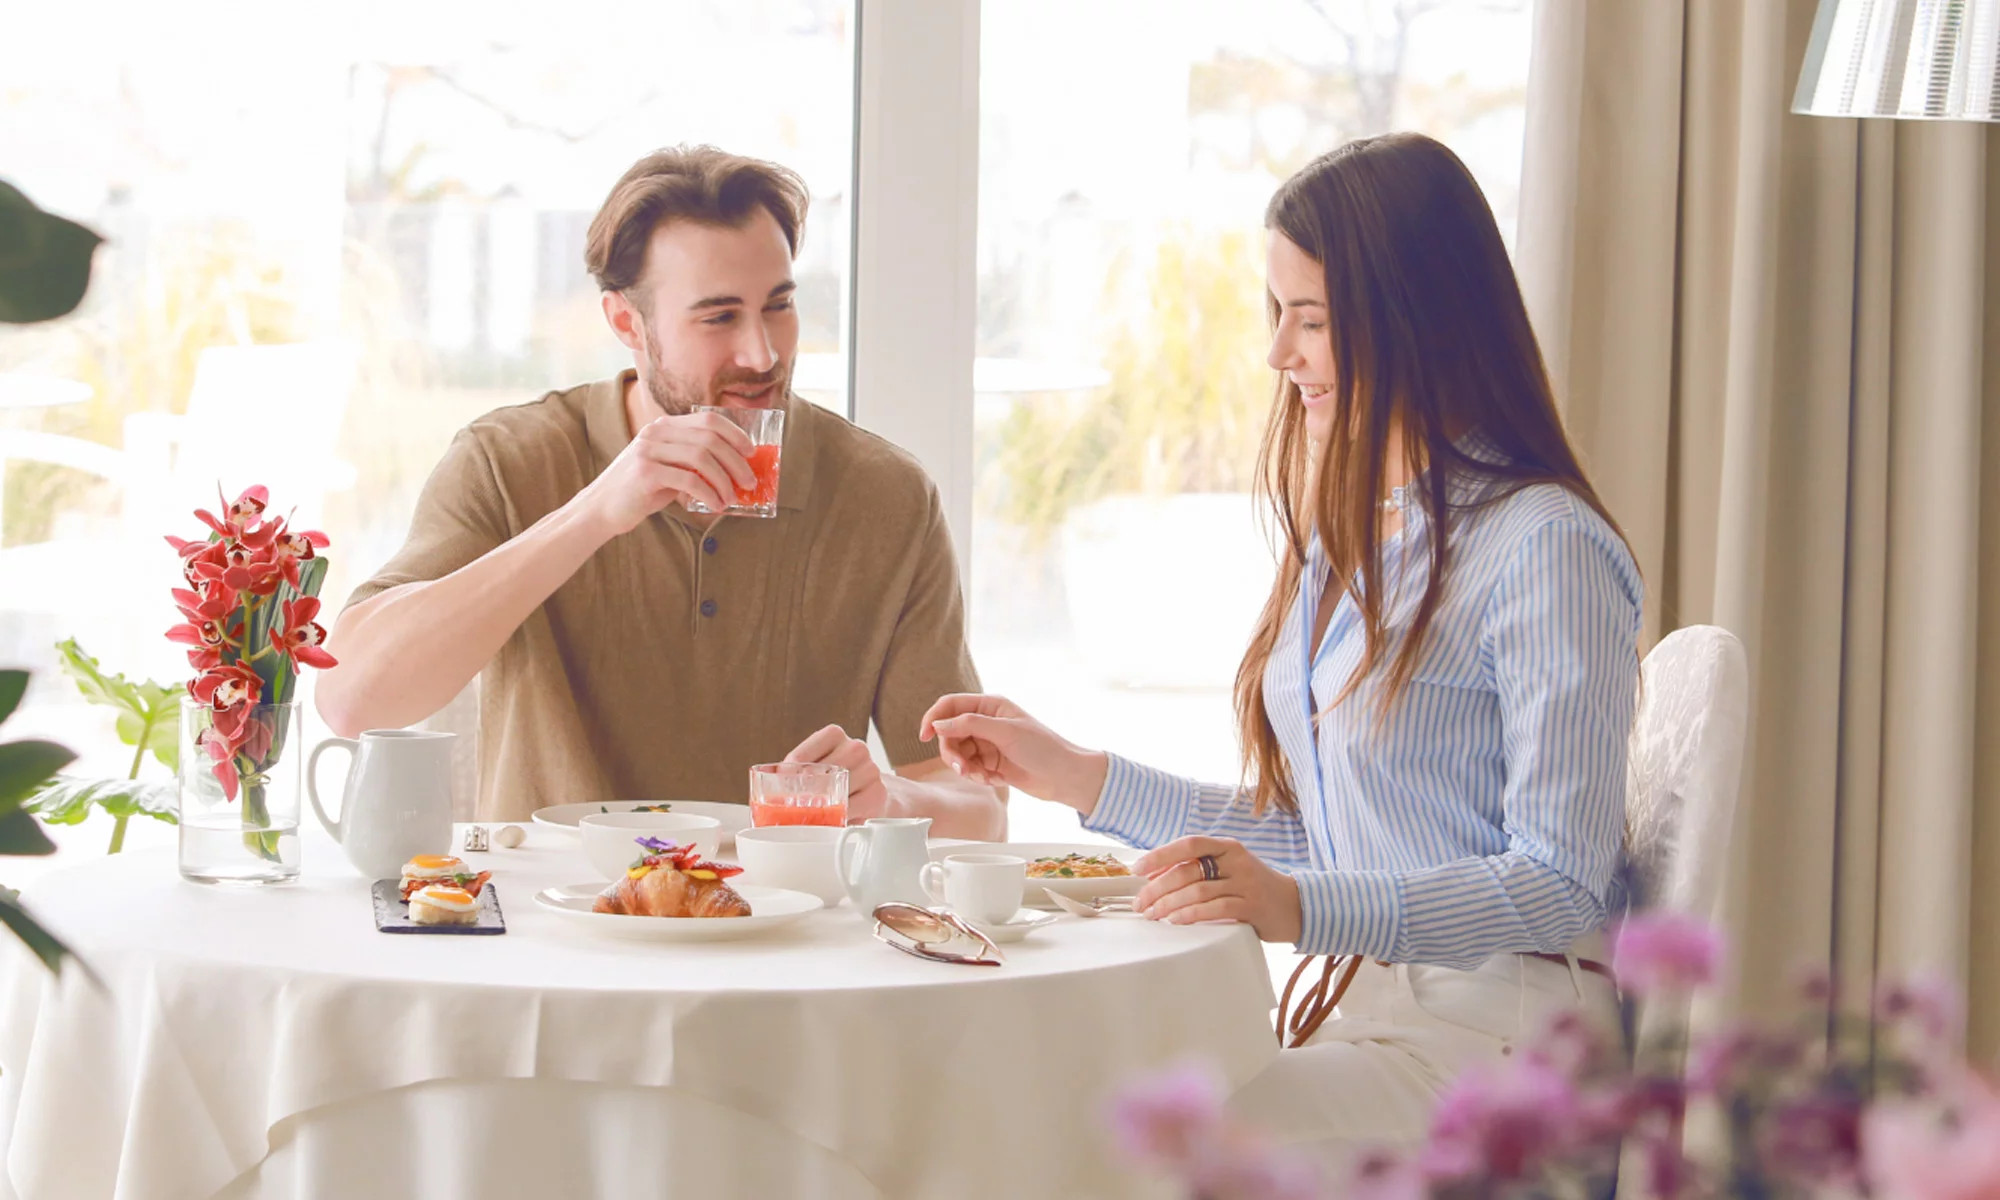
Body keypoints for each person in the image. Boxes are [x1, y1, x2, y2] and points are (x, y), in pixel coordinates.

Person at [920, 132, 1642, 1168]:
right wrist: (1075, 775)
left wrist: (1299, 908)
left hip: (1505, 1058)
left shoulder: (1544, 549)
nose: (1277, 354)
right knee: (1052, 1107)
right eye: (1277, 315)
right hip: (1383, 1019)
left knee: (1096, 1149)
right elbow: (1332, 839)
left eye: (1309, 319)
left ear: (1414, 320)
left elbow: (1558, 882)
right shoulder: (1369, 535)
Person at [318, 145, 1005, 839]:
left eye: (779, 305)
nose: (763, 354)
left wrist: (889, 799)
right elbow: (352, 701)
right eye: (718, 318)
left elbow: (981, 811)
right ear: (626, 324)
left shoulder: (886, 498)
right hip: (544, 935)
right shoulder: (507, 462)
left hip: (782, 936)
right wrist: (593, 513)